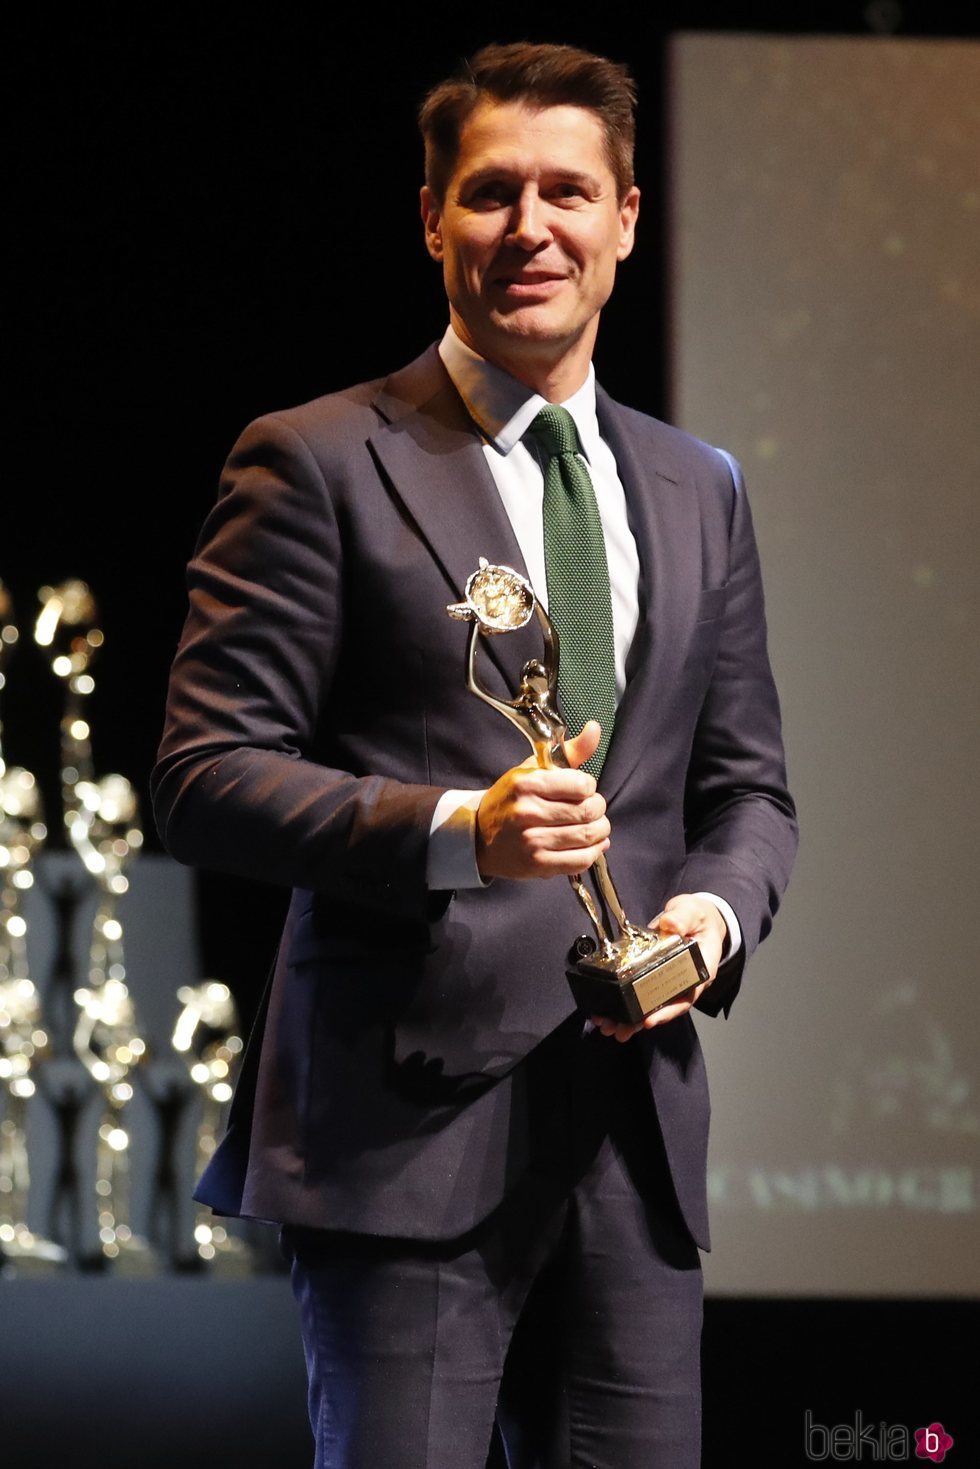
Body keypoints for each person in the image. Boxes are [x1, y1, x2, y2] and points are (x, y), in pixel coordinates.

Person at [152, 41, 797, 1469]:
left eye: (569, 191)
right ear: (432, 218)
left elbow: (745, 786)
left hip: (635, 1139)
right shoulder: (317, 459)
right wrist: (461, 828)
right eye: (491, 192)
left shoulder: (702, 488)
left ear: (628, 217)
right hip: (399, 1137)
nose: (531, 228)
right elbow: (203, 772)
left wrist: (705, 923)